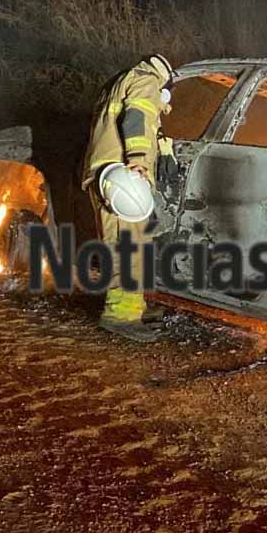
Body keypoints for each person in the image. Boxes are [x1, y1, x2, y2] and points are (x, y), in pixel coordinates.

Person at [82, 55, 175, 342]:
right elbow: (137, 116)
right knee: (126, 248)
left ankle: (134, 306)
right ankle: (119, 315)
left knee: (135, 244)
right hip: (122, 179)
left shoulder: (123, 81)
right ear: (166, 79)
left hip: (110, 175)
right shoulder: (147, 80)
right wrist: (138, 158)